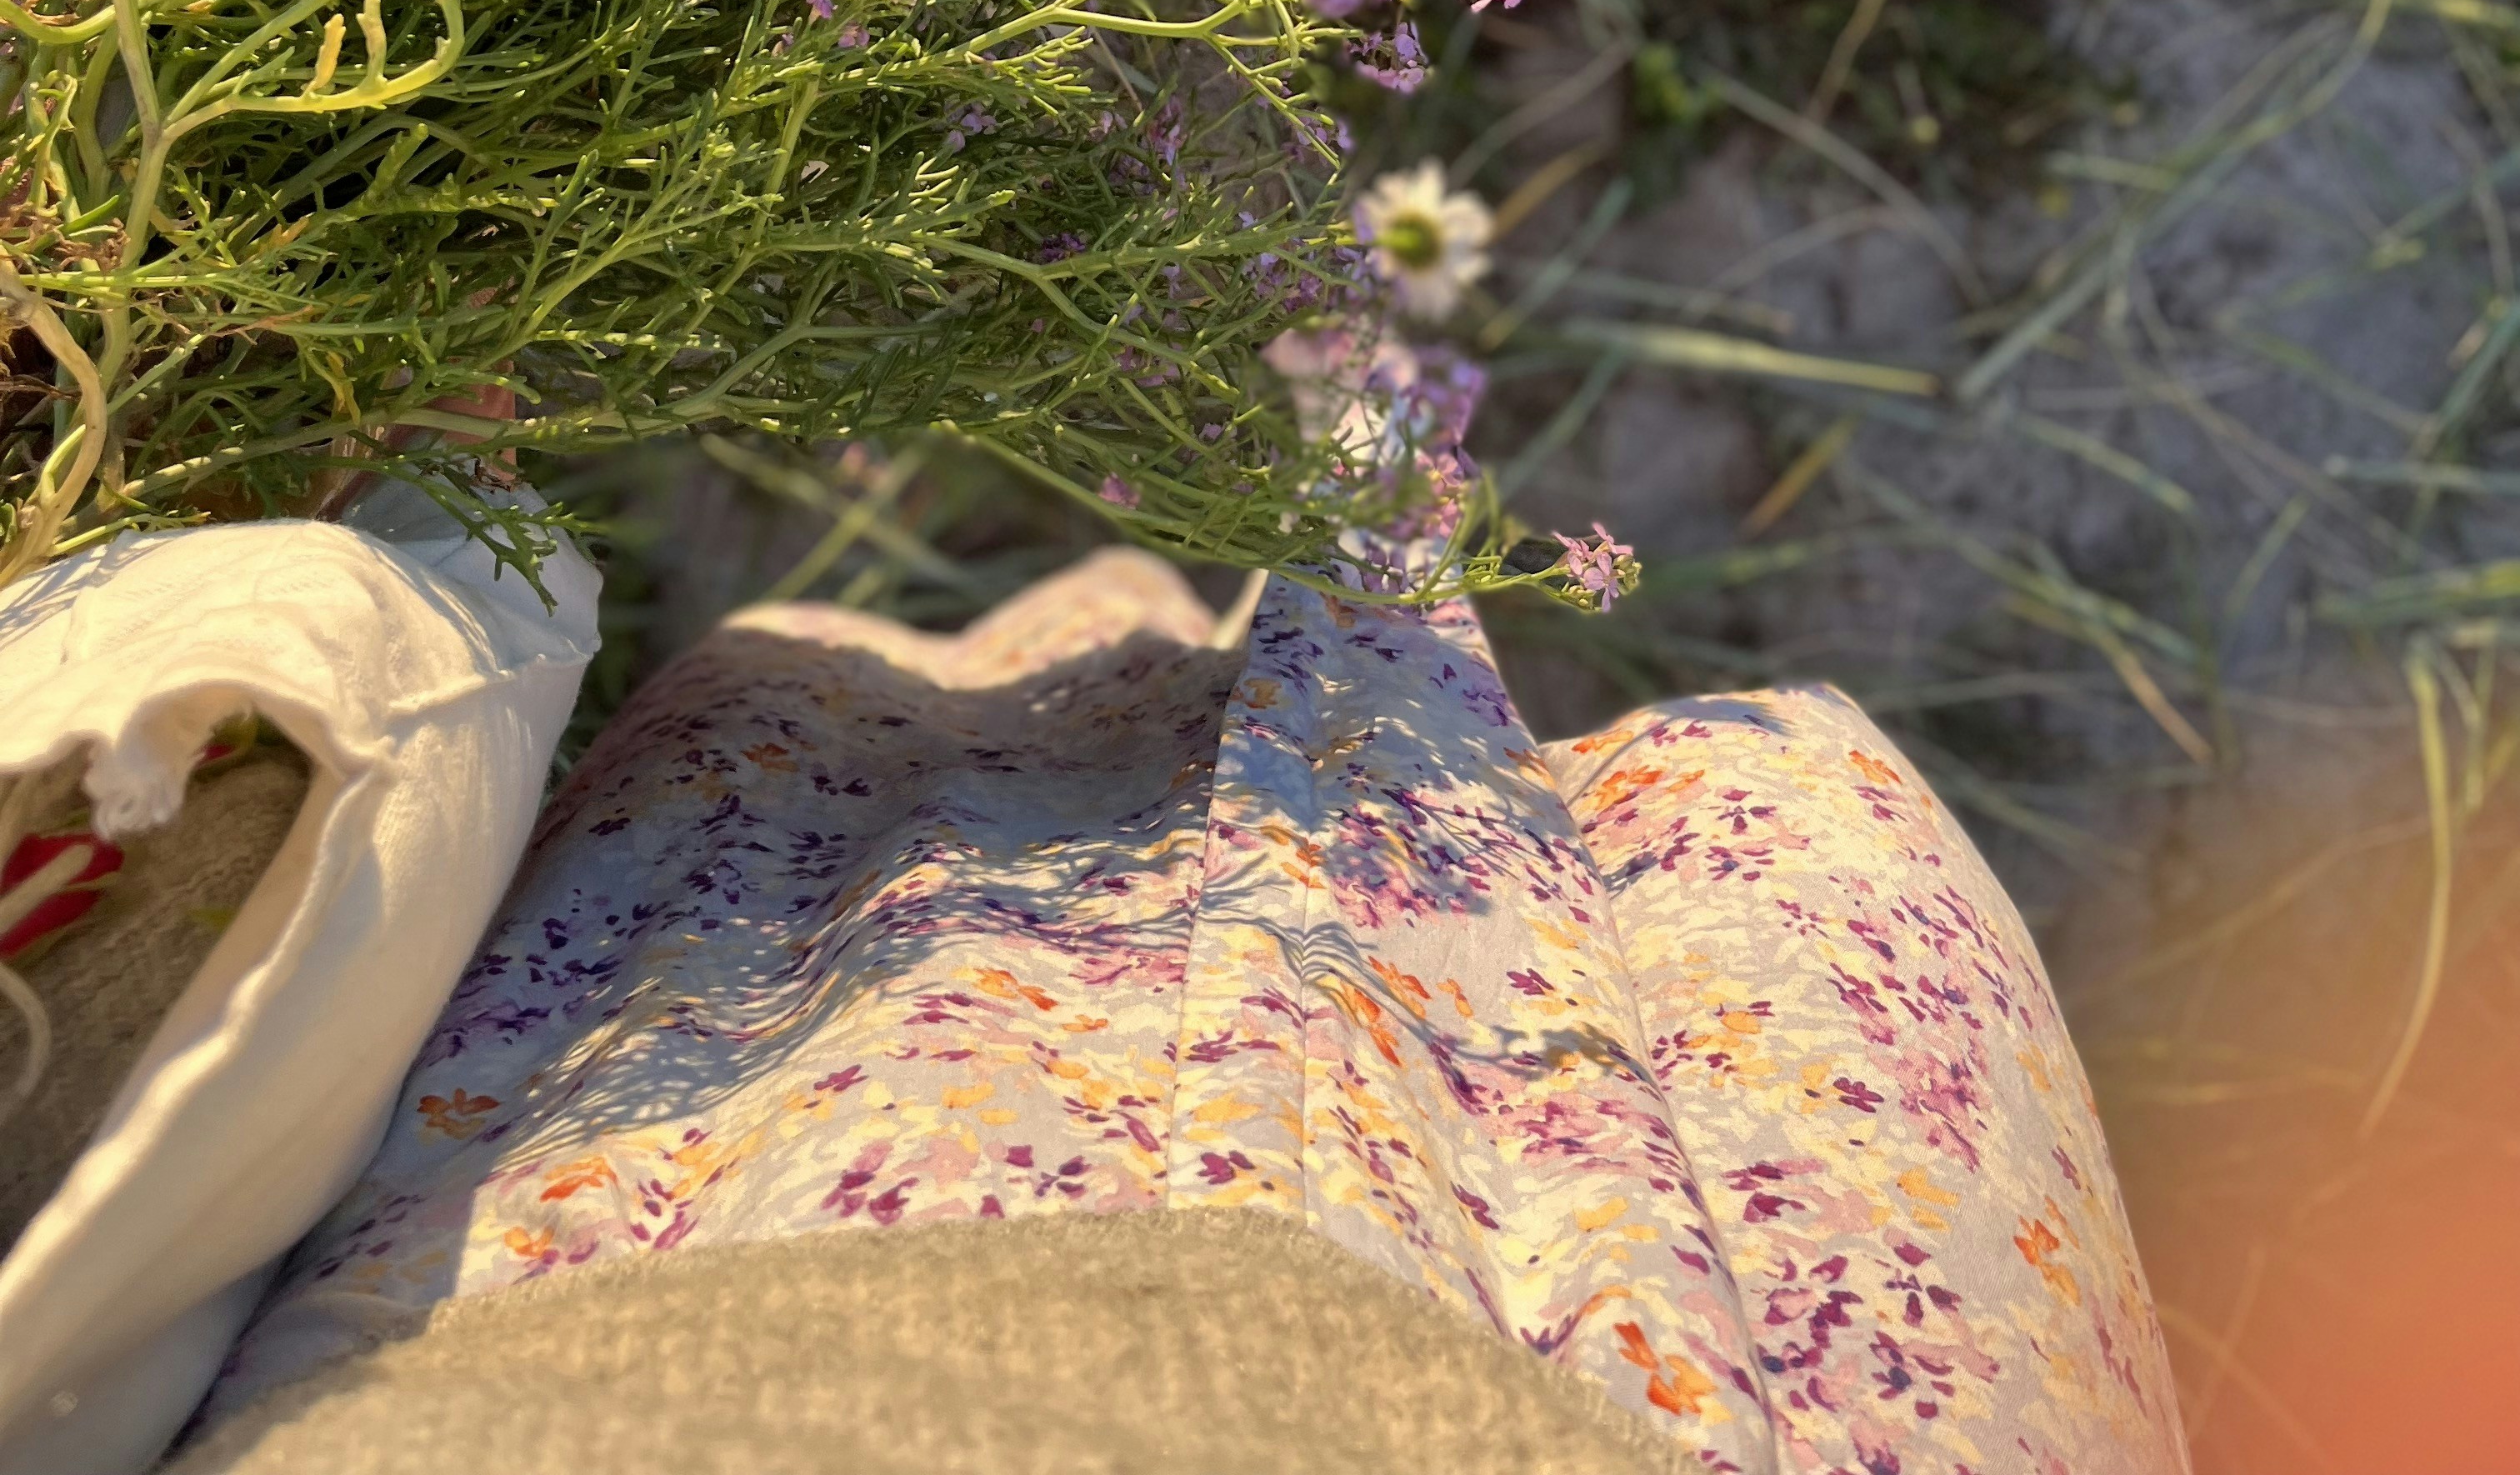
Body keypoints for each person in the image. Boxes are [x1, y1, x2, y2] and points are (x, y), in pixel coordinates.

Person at [0, 519, 2187, 1473]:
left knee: (905, 844)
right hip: (1397, 1307)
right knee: (1418, 874)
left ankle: (1034, 672)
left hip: (667, 1298)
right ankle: (1090, 671)